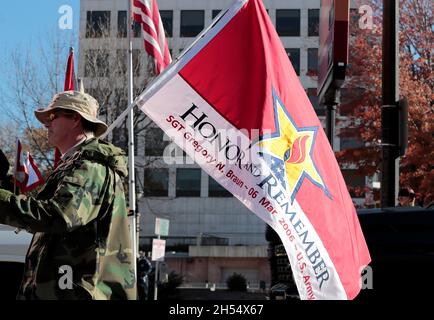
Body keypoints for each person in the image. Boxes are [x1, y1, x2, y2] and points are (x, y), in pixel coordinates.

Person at [0, 91, 136, 300]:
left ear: (75, 119)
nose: (46, 124)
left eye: (53, 117)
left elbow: (58, 216)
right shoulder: (74, 166)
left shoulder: (91, 167)